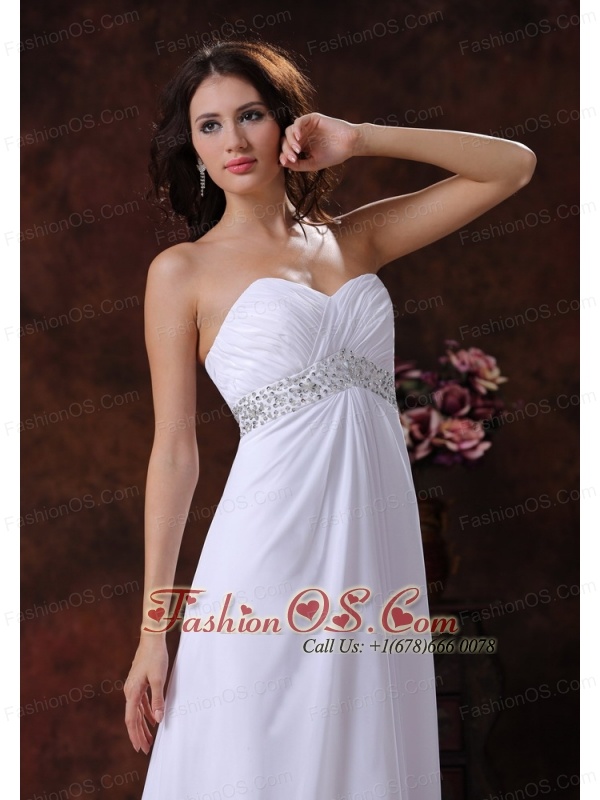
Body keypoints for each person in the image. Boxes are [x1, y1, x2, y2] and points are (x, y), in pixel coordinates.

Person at [124, 38, 536, 799]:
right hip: (264, 554)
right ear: (194, 149)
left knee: (365, 754)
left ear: (288, 123)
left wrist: (362, 138)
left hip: (375, 548)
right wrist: (154, 633)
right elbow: (174, 453)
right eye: (210, 125)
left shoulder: (357, 238)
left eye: (250, 115)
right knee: (256, 754)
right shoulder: (181, 273)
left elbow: (511, 166)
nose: (234, 139)